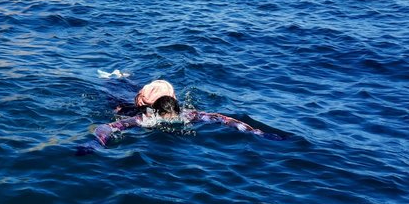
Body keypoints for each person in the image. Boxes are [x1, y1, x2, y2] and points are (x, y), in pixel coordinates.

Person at [93, 79, 286, 147]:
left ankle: (123, 77)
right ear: (156, 114)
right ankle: (114, 79)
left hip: (161, 93)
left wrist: (256, 132)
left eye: (174, 117)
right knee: (117, 101)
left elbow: (223, 119)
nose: (171, 121)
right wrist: (97, 143)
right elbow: (109, 127)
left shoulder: (189, 114)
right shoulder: (144, 118)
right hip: (143, 100)